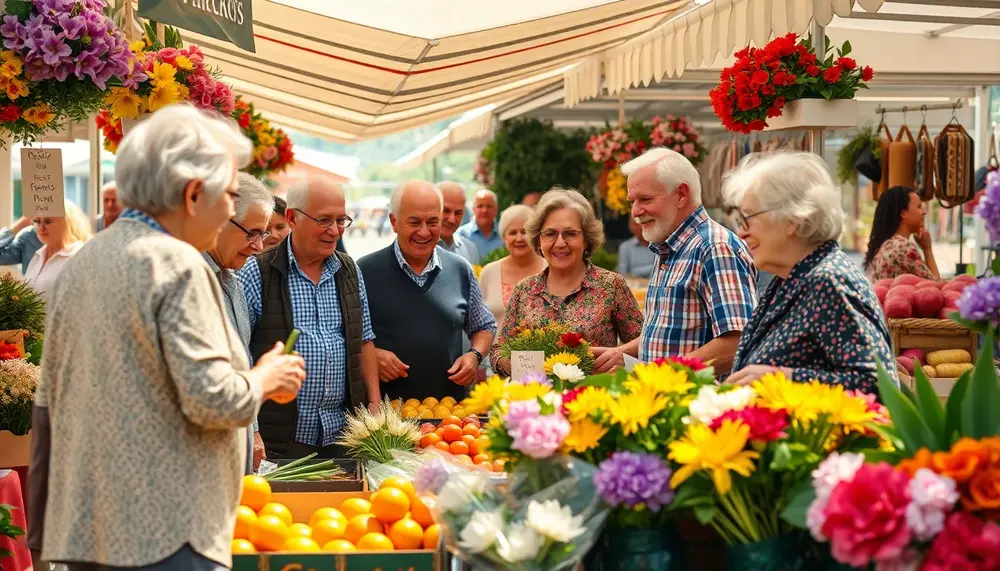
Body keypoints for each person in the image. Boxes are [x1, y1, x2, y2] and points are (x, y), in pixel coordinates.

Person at [26, 104, 306, 571]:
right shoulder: (177, 265)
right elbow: (214, 400)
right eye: (229, 195)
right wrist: (264, 377)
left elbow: (48, 404)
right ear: (194, 194)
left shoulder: (86, 261)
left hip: (89, 531)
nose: (228, 213)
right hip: (168, 533)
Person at [723, 152, 897, 393]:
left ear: (793, 219)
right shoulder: (790, 279)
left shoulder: (829, 281)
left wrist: (783, 378)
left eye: (747, 218)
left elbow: (878, 386)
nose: (741, 233)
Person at [239, 175, 381, 460]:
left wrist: (375, 408)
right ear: (292, 218)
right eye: (324, 220)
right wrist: (251, 430)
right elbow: (241, 354)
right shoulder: (258, 272)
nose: (334, 231)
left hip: (344, 437)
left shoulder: (348, 270)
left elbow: (364, 340)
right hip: (280, 440)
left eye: (341, 220)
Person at [614, 147, 757, 375]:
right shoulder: (669, 246)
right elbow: (671, 332)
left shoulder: (715, 248)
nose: (635, 211)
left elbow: (736, 343)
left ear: (681, 195)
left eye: (645, 199)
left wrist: (666, 375)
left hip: (698, 404)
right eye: (632, 201)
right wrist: (623, 353)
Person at [358, 181, 497, 401]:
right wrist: (371, 356)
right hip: (385, 417)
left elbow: (484, 326)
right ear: (394, 221)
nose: (424, 231)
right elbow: (344, 336)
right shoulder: (363, 272)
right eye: (414, 222)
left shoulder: (460, 269)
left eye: (432, 222)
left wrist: (474, 355)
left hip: (449, 418)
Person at [489, 189, 643, 376]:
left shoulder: (611, 285)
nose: (560, 243)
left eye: (570, 234)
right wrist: (510, 365)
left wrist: (620, 354)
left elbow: (645, 342)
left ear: (586, 239)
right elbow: (499, 348)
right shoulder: (524, 290)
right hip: (536, 399)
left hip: (593, 399)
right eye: (550, 234)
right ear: (538, 241)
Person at [205, 172, 274, 474]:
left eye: (264, 235)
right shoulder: (190, 283)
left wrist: (253, 430)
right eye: (253, 233)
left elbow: (240, 365)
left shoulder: (232, 281)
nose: (259, 246)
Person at [478, 204, 546, 330]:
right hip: (495, 349)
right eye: (513, 233)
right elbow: (477, 321)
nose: (519, 238)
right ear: (504, 237)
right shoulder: (489, 272)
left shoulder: (550, 270)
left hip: (544, 350)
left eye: (524, 232)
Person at [864, 186, 940, 282]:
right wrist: (927, 249)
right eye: (919, 207)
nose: (924, 212)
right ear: (903, 213)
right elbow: (936, 286)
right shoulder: (903, 247)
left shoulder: (888, 245)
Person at [23, 201, 92, 304]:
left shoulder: (79, 255)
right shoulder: (38, 255)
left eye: (48, 221)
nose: (41, 227)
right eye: (37, 221)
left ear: (67, 222)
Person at [436, 181, 480, 264]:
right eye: (446, 211)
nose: (452, 219)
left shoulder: (470, 249)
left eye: (458, 213)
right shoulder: (416, 249)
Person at [457, 189, 503, 261]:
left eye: (489, 206)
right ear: (473, 209)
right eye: (480, 206)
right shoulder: (461, 235)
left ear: (496, 209)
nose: (484, 210)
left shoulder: (504, 234)